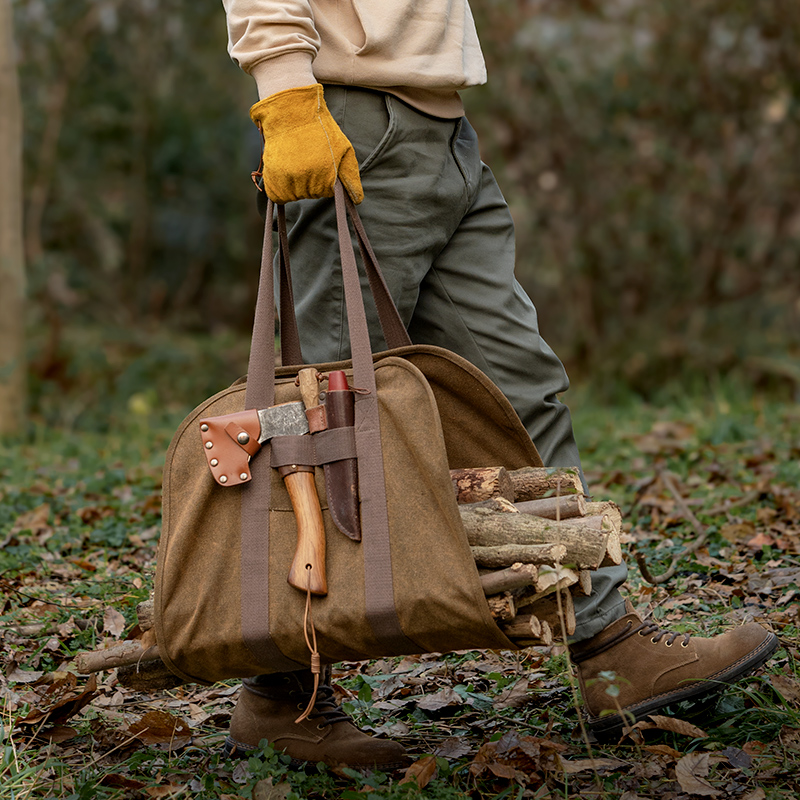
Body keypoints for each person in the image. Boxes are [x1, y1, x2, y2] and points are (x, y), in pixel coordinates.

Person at [219, 0, 778, 767]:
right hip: (346, 118)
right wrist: (284, 88)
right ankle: (281, 696)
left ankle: (607, 652)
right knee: (321, 426)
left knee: (520, 390)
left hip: (445, 127)